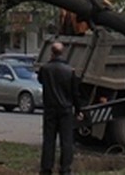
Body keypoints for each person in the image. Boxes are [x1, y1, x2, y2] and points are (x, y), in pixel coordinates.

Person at [37, 41, 83, 175]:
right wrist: (78, 110)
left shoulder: (45, 69)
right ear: (63, 53)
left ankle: (46, 168)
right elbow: (75, 93)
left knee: (49, 140)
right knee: (66, 141)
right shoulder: (69, 71)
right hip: (66, 110)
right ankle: (65, 169)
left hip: (50, 109)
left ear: (51, 52)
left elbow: (40, 81)